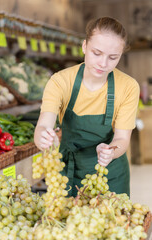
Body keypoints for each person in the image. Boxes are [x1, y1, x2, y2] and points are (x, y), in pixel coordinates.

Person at [34, 17, 140, 197]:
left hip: (110, 174)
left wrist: (110, 152)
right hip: (68, 172)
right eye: (96, 53)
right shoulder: (60, 81)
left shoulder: (128, 87)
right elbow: (43, 125)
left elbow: (122, 138)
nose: (103, 63)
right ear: (84, 46)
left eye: (113, 57)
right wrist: (43, 138)